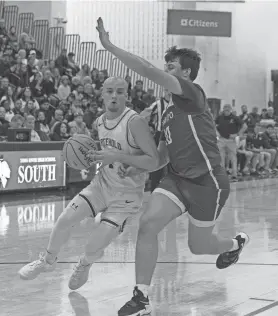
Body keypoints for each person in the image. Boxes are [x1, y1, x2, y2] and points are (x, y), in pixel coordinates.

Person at [94, 18, 249, 316]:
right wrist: (137, 167)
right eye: (167, 67)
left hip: (208, 182)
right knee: (148, 225)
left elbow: (146, 70)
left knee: (199, 246)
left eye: (172, 68)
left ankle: (234, 243)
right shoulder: (164, 109)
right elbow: (163, 157)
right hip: (176, 180)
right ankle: (141, 299)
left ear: (186, 74)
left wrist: (110, 47)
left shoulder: (192, 94)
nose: (166, 72)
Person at [18, 77, 160, 292]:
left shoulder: (135, 122)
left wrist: (118, 156)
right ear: (102, 94)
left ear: (127, 96)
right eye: (110, 91)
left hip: (127, 195)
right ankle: (46, 261)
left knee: (95, 243)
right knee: (65, 220)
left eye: (120, 92)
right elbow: (107, 154)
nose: (114, 96)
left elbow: (155, 161)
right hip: (101, 185)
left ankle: (84, 264)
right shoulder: (100, 121)